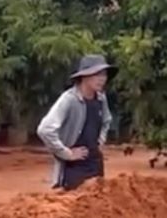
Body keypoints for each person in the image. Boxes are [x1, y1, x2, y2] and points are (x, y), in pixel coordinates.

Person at [36, 54, 115, 191]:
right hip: (74, 168)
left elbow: (106, 121)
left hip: (95, 163)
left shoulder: (101, 98)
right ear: (84, 76)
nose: (102, 79)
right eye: (97, 74)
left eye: (104, 74)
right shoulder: (69, 99)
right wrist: (66, 153)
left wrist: (100, 141)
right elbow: (45, 129)